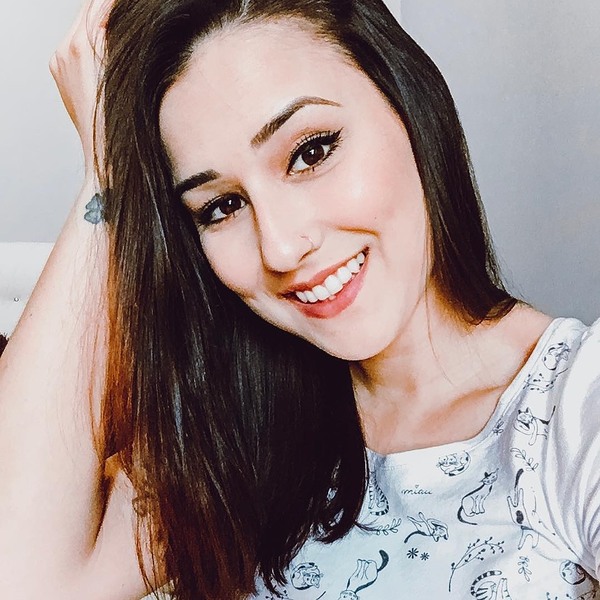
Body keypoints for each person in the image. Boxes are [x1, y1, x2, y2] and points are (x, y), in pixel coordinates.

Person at [0, 0, 598, 598]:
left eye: (311, 152)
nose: (281, 247)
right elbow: (23, 581)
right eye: (222, 206)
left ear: (409, 105)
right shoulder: (246, 426)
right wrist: (105, 177)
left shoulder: (574, 408)